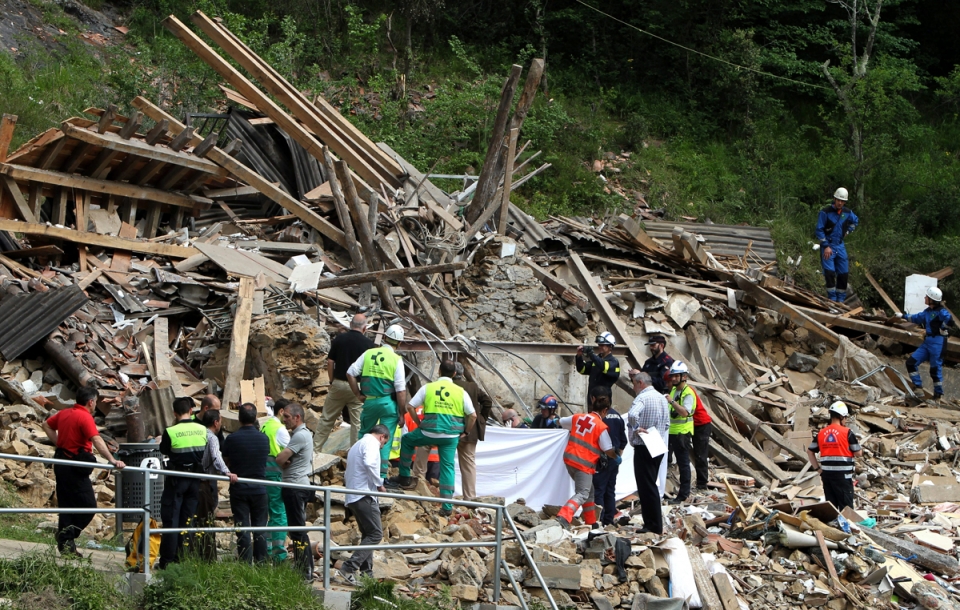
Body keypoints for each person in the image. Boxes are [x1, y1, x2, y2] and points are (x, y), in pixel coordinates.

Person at [42, 387, 125, 556]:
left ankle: (67, 547)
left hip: (61, 462)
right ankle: (66, 536)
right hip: (75, 466)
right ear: (91, 402)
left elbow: (46, 425)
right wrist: (112, 459)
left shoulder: (65, 413)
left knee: (67, 504)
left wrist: (59, 443)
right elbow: (96, 439)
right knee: (88, 505)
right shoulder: (84, 417)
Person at [389, 360, 477, 517]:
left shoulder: (428, 388)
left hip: (427, 433)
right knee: (447, 467)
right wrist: (465, 431)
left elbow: (410, 406)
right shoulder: (460, 392)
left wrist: (419, 423)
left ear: (439, 372)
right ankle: (447, 507)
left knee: (408, 440)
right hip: (450, 436)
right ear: (455, 374)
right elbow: (473, 415)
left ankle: (404, 477)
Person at [346, 324, 408, 480]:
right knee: (385, 438)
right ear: (399, 343)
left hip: (370, 402)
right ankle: (381, 476)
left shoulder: (369, 353)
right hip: (388, 403)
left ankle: (358, 470)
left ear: (385, 338)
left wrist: (358, 394)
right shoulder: (396, 359)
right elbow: (400, 390)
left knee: (364, 434)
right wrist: (402, 412)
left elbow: (350, 373)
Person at [335, 424, 391, 585]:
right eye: (384, 444)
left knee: (368, 534)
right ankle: (348, 568)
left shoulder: (358, 444)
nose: (381, 447)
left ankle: (367, 574)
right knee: (375, 534)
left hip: (354, 495)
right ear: (382, 437)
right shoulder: (372, 443)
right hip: (364, 494)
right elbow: (369, 463)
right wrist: (379, 483)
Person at [556, 385, 617, 529]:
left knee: (589, 492)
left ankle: (591, 522)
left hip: (569, 459)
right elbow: (607, 449)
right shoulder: (600, 426)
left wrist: (555, 421)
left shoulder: (578, 417)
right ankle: (564, 515)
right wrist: (616, 457)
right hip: (584, 464)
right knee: (582, 493)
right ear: (604, 410)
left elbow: (562, 422)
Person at [158, 397, 208, 569]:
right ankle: (184, 558)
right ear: (191, 411)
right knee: (188, 520)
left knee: (171, 519)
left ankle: (167, 562)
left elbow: (164, 450)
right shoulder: (202, 429)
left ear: (174, 413)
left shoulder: (170, 431)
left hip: (176, 479)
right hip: (195, 480)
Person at [315, 314, 375, 451]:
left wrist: (331, 381)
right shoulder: (369, 345)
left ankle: (315, 450)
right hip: (358, 388)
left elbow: (330, 362)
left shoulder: (339, 339)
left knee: (327, 418)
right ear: (365, 328)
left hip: (339, 383)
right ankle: (354, 455)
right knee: (357, 423)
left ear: (350, 324)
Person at [222, 403, 270, 564]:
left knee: (242, 527)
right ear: (256, 418)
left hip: (239, 488)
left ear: (239, 418)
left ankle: (245, 563)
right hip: (259, 488)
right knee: (260, 528)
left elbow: (225, 462)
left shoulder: (232, 439)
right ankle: (262, 563)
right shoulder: (264, 439)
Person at [626, 371, 670, 534]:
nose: (633, 387)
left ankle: (652, 524)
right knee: (651, 483)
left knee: (646, 486)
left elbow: (632, 415)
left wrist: (636, 428)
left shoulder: (642, 398)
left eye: (634, 384)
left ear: (640, 383)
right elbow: (666, 424)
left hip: (644, 444)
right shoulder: (661, 398)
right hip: (657, 443)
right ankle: (654, 523)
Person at [275, 403, 315, 580]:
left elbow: (280, 458)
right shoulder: (299, 435)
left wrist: (283, 460)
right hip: (296, 485)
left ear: (297, 417)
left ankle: (304, 569)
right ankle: (304, 566)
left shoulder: (300, 436)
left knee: (297, 529)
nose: (284, 421)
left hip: (295, 486)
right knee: (296, 528)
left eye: (287, 417)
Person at [196, 409, 237, 560]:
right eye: (220, 421)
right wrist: (227, 472)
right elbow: (216, 456)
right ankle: (207, 556)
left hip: (194, 481)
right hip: (205, 482)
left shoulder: (198, 433)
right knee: (206, 519)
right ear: (216, 422)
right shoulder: (212, 438)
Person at [898, 286, 952, 399]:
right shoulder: (928, 311)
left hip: (938, 343)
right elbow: (916, 318)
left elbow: (950, 320)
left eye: (927, 297)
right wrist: (903, 316)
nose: (925, 298)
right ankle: (918, 388)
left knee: (935, 369)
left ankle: (937, 397)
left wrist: (943, 327)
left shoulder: (941, 311)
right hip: (927, 342)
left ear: (932, 299)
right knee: (911, 363)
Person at [807, 401, 862, 510]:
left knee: (831, 507)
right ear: (841, 416)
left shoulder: (821, 433)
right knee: (846, 509)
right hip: (843, 477)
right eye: (845, 417)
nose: (845, 421)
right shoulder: (847, 432)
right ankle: (845, 526)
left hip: (827, 476)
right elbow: (858, 453)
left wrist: (818, 469)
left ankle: (833, 524)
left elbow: (810, 452)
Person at [453, 361, 493, 501]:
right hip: (470, 431)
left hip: (449, 429)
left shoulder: (448, 386)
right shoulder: (472, 386)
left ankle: (442, 495)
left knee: (445, 462)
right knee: (468, 465)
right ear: (462, 373)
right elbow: (487, 401)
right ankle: (469, 497)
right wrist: (482, 418)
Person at [815, 187, 859, 302]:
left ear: (845, 202)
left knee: (843, 273)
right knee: (829, 274)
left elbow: (855, 221)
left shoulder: (847, 213)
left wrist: (848, 231)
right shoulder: (825, 212)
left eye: (842, 201)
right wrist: (825, 246)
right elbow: (819, 230)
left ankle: (840, 300)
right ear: (834, 199)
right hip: (828, 245)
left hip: (840, 245)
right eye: (838, 200)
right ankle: (832, 300)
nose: (840, 203)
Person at [261, 398, 291, 563]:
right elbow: (291, 452)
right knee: (279, 514)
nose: (288, 419)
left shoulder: (266, 425)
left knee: (269, 514)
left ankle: (268, 549)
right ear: (281, 411)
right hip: (275, 476)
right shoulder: (280, 429)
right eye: (287, 414)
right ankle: (279, 555)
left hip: (264, 475)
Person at [592, 387, 627, 526]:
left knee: (598, 491)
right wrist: (617, 458)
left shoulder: (597, 418)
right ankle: (608, 520)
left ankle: (598, 521)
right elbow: (623, 441)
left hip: (600, 460)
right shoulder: (618, 416)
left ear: (595, 399)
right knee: (610, 490)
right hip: (613, 460)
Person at [666, 361, 696, 505]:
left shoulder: (688, 393)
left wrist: (672, 402)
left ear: (684, 376)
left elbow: (684, 412)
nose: (673, 379)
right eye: (672, 376)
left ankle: (683, 494)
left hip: (682, 433)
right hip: (672, 432)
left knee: (683, 463)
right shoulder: (674, 390)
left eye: (676, 376)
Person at [692, 387, 713, 491]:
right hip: (693, 424)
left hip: (701, 424)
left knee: (700, 454)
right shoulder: (675, 391)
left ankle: (702, 484)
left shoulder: (686, 391)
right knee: (699, 454)